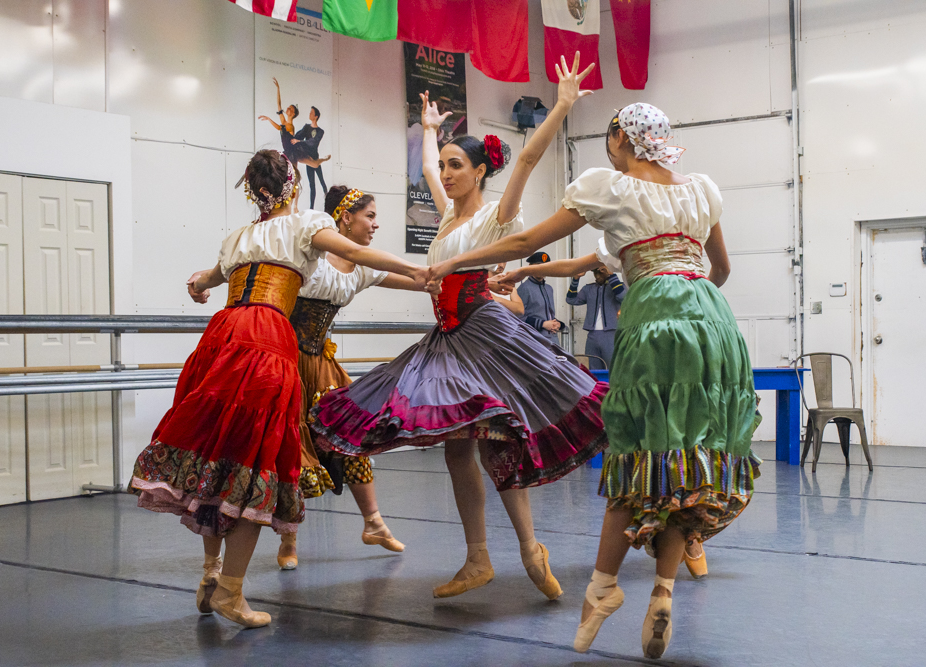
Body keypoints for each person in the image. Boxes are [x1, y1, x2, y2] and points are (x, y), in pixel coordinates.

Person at [428, 103, 760, 659]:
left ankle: (602, 589)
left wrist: (448, 266)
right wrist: (691, 297)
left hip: (655, 318)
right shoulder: (702, 189)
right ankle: (663, 587)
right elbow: (720, 270)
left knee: (635, 449)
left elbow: (522, 242)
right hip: (712, 322)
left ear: (619, 137)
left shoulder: (610, 185)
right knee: (686, 457)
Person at [310, 54, 606, 601]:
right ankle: (477, 559)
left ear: (479, 172)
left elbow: (528, 159)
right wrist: (427, 129)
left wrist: (562, 104)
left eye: (455, 166)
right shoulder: (448, 217)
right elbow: (425, 167)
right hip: (448, 338)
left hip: (484, 332)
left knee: (497, 442)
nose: (445, 173)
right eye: (444, 165)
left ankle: (530, 550)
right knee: (455, 447)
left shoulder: (497, 216)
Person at [129, 150, 434, 629]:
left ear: (255, 192)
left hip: (221, 338)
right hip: (266, 341)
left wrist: (198, 285)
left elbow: (206, 279)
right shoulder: (305, 224)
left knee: (218, 453)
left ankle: (211, 571)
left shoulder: (237, 237)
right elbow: (355, 253)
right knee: (256, 458)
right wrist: (416, 269)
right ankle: (231, 591)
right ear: (293, 187)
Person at [277, 184, 425, 569]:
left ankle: (373, 522)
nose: (376, 224)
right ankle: (289, 538)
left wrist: (471, 283)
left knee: (351, 432)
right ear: (346, 216)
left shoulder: (361, 269)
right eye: (370, 216)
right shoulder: (310, 254)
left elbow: (416, 281)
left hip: (321, 363)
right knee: (292, 444)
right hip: (287, 361)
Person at [258, 78, 330, 169]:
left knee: (311, 166)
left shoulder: (290, 126)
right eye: (288, 107)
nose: (287, 108)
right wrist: (278, 89)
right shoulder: (284, 122)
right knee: (313, 165)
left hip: (294, 152)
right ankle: (323, 159)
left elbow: (279, 128)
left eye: (290, 108)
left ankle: (324, 159)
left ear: (293, 114)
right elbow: (279, 105)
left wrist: (269, 119)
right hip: (288, 152)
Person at [566, 262, 625, 370]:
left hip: (611, 334)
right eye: (595, 273)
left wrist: (611, 275)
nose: (597, 276)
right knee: (593, 369)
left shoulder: (617, 286)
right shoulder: (589, 289)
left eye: (600, 272)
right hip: (592, 336)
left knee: (614, 367)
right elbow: (571, 299)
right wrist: (576, 279)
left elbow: (623, 297)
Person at [517, 251, 566, 347]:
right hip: (535, 340)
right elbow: (517, 317)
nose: (542, 269)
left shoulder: (549, 289)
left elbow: (547, 315)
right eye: (538, 266)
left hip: (553, 340)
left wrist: (558, 324)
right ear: (530, 267)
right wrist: (543, 324)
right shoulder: (524, 288)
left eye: (545, 266)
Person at [293, 106, 329, 207]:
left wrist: (299, 141)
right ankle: (311, 207)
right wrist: (292, 137)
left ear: (316, 116)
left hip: (315, 159)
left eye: (311, 113)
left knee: (322, 181)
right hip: (308, 159)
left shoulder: (320, 131)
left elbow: (313, 142)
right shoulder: (306, 127)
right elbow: (299, 135)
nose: (309, 114)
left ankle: (328, 199)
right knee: (312, 184)